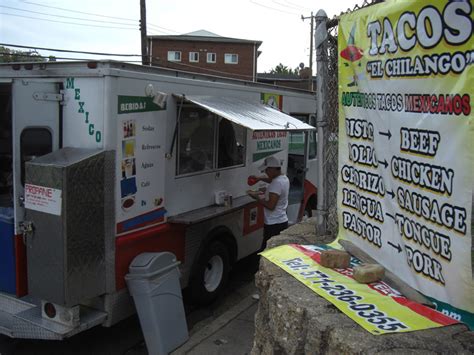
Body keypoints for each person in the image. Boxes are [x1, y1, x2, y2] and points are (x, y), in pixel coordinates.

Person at [247, 156, 289, 245]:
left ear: (273, 169)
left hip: (274, 224)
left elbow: (271, 206)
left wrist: (256, 197)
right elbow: (271, 180)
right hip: (281, 221)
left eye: (267, 170)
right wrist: (259, 178)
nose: (265, 172)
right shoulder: (284, 178)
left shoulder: (276, 183)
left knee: (267, 251)